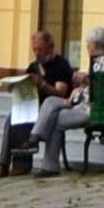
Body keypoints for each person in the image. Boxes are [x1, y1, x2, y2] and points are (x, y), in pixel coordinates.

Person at [28, 32, 80, 173]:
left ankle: (35, 136)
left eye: (40, 49)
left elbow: (61, 93)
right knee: (11, 119)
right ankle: (9, 164)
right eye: (35, 49)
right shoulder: (34, 66)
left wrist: (42, 84)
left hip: (56, 105)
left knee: (52, 109)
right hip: (33, 105)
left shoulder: (61, 65)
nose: (37, 53)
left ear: (50, 47)